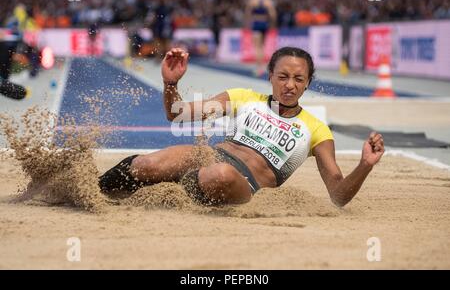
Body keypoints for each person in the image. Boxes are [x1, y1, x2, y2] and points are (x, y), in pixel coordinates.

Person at [99, 47, 385, 207]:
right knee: (147, 164)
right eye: (283, 76)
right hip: (210, 157)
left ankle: (162, 196)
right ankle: (93, 190)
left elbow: (337, 195)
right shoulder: (244, 98)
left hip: (245, 183)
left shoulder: (317, 130)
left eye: (299, 79)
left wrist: (365, 166)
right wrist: (170, 83)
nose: (290, 85)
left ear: (308, 82)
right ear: (270, 75)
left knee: (220, 174)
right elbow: (179, 115)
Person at [244, 0, 277, 77]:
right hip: (265, 24)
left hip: (256, 24)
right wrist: (271, 24)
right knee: (262, 47)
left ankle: (259, 69)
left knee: (257, 47)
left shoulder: (252, 0)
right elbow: (273, 15)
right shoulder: (268, 1)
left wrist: (248, 24)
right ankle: (262, 67)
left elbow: (247, 14)